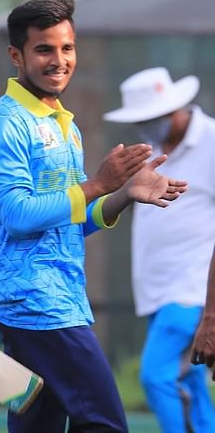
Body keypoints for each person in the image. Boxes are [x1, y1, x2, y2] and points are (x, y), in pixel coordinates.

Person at [0, 0, 188, 432]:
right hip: (34, 301)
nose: (59, 60)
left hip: (57, 294)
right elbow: (17, 215)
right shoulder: (5, 123)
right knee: (104, 422)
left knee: (39, 426)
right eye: (45, 49)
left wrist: (124, 193)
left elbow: (73, 216)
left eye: (67, 48)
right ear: (16, 55)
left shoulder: (62, 122)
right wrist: (98, 185)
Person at [104, 67, 215, 432]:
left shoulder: (211, 141)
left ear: (174, 108)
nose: (146, 127)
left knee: (157, 376)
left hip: (191, 291)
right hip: (159, 292)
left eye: (152, 118)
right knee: (188, 384)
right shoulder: (153, 153)